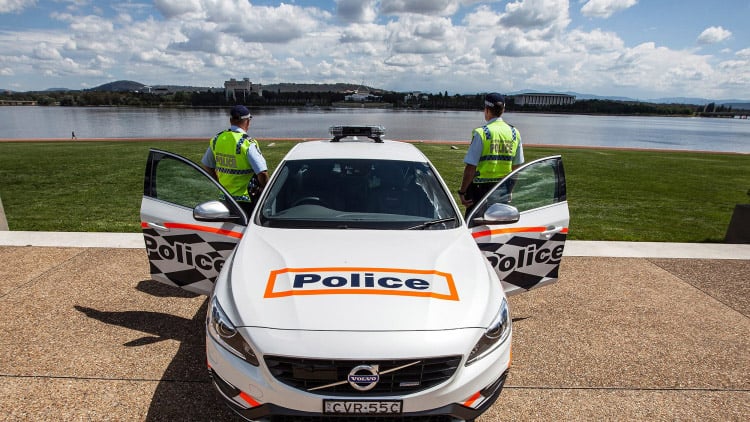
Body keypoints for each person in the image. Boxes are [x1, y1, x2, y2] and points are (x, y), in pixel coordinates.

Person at [458, 92, 524, 217]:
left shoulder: (482, 133)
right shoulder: (514, 133)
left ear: (487, 110)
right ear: (502, 110)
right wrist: (510, 190)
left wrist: (462, 192)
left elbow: (470, 167)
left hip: (479, 191)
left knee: (474, 226)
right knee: (498, 224)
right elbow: (516, 168)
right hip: (502, 187)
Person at [201, 105, 268, 215]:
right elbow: (262, 173)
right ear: (247, 121)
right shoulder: (247, 143)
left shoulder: (217, 139)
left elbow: (207, 166)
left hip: (224, 197)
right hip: (246, 200)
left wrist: (218, 184)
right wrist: (264, 189)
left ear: (231, 120)